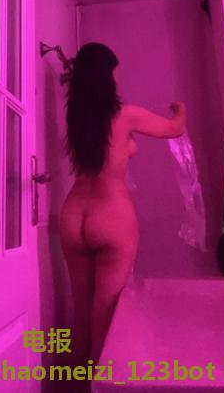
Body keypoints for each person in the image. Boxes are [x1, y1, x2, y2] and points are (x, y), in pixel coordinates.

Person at [59, 42, 187, 375]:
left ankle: (76, 384)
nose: (117, 80)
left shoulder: (76, 119)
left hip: (73, 216)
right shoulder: (124, 115)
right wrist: (180, 108)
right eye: (114, 74)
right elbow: (175, 129)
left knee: (82, 314)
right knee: (105, 315)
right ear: (106, 76)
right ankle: (99, 387)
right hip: (110, 214)